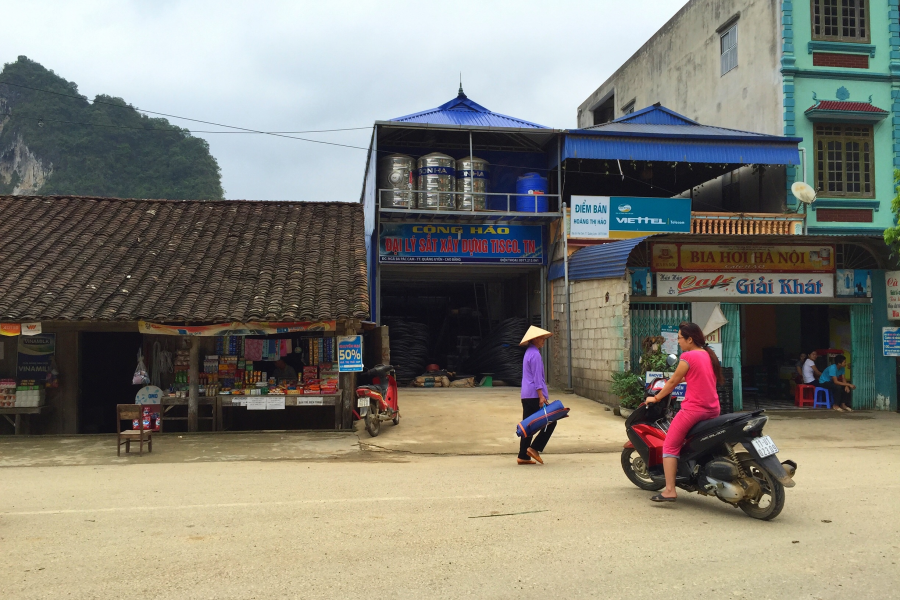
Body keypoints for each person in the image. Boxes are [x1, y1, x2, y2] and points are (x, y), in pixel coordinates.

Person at [645, 322, 722, 503]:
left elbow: (672, 382)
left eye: (679, 338)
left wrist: (655, 398)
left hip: (694, 410)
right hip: (713, 409)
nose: (678, 341)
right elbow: (692, 377)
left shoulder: (688, 356)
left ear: (689, 339)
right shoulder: (708, 355)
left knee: (670, 446)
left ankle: (670, 490)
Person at [517, 326, 554, 465]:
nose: (543, 341)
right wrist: (541, 396)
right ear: (534, 339)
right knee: (551, 421)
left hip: (526, 395)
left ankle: (523, 455)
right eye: (541, 338)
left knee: (528, 425)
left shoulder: (529, 352)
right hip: (534, 395)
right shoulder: (536, 355)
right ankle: (534, 448)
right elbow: (537, 378)